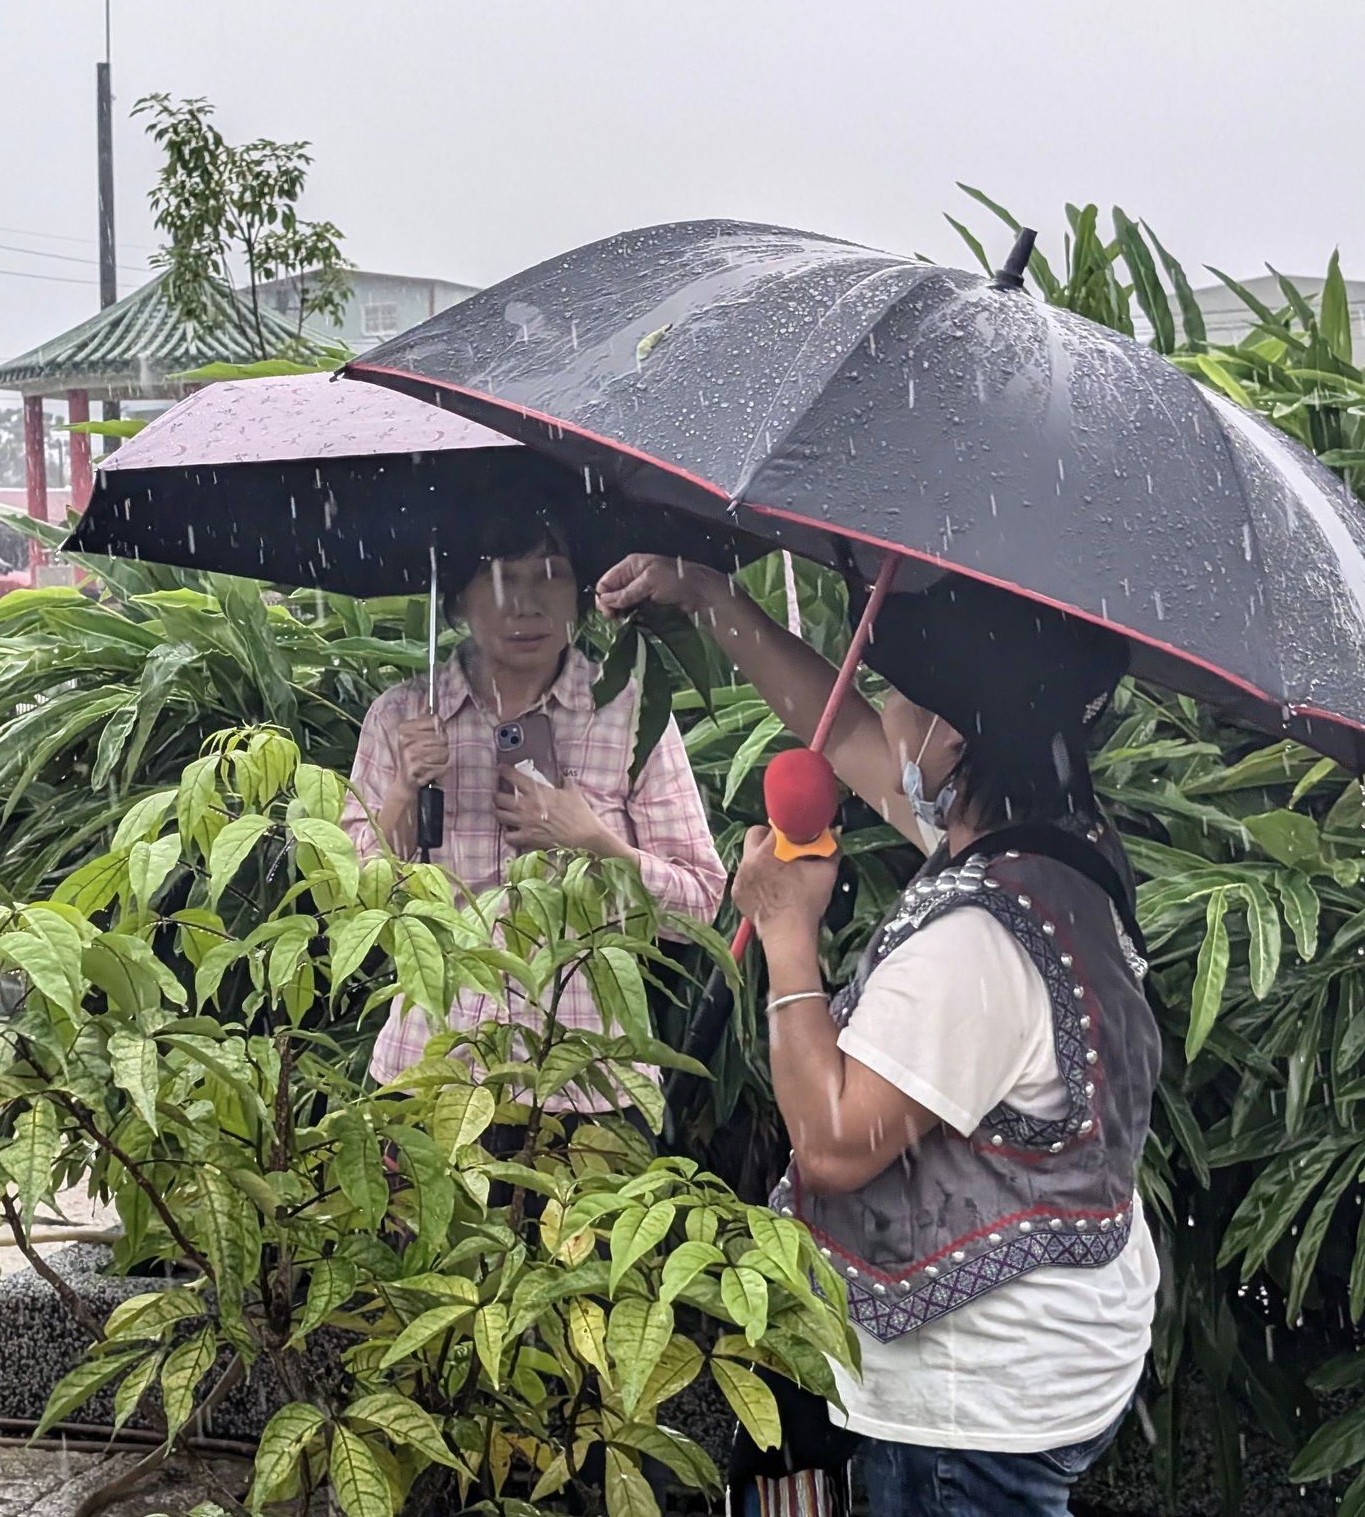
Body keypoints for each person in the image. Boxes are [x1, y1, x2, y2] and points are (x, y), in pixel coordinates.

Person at [599, 555, 1160, 1517]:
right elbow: (843, 730)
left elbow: (833, 1142)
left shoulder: (980, 940)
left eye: (903, 698)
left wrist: (784, 933)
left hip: (972, 1409)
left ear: (948, 734)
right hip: (1060, 1352)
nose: (884, 718)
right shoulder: (1052, 841)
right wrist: (712, 600)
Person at [341, 515, 724, 1114]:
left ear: (580, 593)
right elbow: (357, 911)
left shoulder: (625, 713)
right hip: (431, 1075)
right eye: (499, 578)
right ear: (458, 602)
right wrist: (403, 792)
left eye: (551, 576)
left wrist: (596, 842)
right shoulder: (403, 718)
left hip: (587, 1084)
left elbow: (699, 903)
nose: (525, 604)